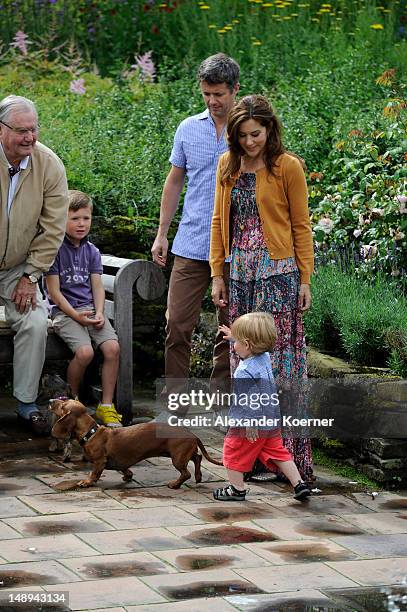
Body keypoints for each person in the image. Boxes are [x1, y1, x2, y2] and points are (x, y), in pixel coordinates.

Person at [210, 95, 314, 483]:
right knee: (244, 361)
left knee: (279, 366)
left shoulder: (288, 167)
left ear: (270, 130)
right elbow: (219, 219)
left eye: (256, 134)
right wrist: (217, 273)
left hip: (279, 275)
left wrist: (305, 279)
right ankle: (249, 458)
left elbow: (301, 226)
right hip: (240, 274)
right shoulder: (228, 165)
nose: (250, 142)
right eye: (243, 135)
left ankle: (289, 462)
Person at [151, 53, 240, 399]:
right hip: (190, 244)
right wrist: (162, 232)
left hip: (234, 250)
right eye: (206, 94)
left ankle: (221, 403)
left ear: (235, 89)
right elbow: (174, 182)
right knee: (176, 324)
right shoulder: (188, 128)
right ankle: (175, 403)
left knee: (230, 328)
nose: (212, 101)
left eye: (219, 94)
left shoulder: (247, 131)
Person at [0, 94, 69, 434]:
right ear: (1, 130)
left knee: (35, 320)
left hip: (19, 267)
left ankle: (27, 404)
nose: (29, 137)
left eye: (33, 129)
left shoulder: (49, 164)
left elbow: (54, 227)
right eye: (20, 130)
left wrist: (30, 275)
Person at [213, 312, 311, 501]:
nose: (234, 345)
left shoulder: (244, 371)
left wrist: (250, 423)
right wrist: (235, 336)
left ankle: (237, 489)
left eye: (237, 342)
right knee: (279, 453)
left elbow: (251, 400)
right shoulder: (264, 357)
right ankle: (299, 484)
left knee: (232, 451)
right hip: (271, 421)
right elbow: (252, 346)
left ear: (247, 345)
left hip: (249, 424)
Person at [45, 190, 122, 427]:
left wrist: (99, 312)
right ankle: (72, 402)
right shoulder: (55, 250)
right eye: (74, 218)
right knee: (85, 352)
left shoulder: (92, 252)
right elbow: (55, 293)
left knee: (112, 348)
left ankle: (106, 406)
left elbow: (97, 287)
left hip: (89, 309)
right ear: (62, 219)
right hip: (64, 312)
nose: (81, 224)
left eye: (85, 218)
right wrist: (75, 315)